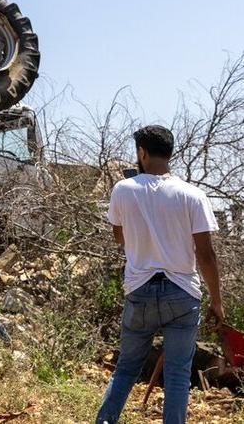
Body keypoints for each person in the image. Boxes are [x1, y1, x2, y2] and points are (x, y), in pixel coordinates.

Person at [95, 125, 223, 424]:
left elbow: (119, 237)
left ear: (142, 152)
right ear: (170, 153)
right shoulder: (193, 195)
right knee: (178, 373)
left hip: (140, 289)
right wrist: (216, 301)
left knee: (126, 368)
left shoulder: (123, 189)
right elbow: (205, 254)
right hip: (182, 292)